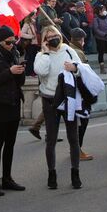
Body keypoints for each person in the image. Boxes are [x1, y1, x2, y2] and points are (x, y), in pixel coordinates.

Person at [34, 25, 82, 190]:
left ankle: (75, 173)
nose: (53, 37)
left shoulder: (68, 50)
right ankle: (51, 173)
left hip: (69, 99)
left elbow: (80, 69)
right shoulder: (41, 55)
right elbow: (40, 71)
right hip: (50, 101)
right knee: (51, 139)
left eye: (55, 34)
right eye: (49, 36)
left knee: (73, 138)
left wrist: (75, 68)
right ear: (44, 40)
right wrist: (46, 53)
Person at [0, 26, 26, 196]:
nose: (11, 44)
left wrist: (20, 71)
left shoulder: (14, 53)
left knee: (10, 142)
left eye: (13, 41)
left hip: (14, 100)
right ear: (0, 42)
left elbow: (19, 81)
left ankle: (7, 178)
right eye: (8, 42)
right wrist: (9, 72)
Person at [69, 28, 93, 161]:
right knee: (82, 122)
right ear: (81, 40)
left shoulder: (70, 49)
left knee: (77, 123)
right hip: (80, 92)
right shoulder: (77, 53)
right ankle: (77, 150)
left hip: (74, 92)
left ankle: (75, 148)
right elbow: (86, 74)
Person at [92, 4, 107, 73]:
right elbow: (96, 29)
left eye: (105, 9)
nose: (104, 11)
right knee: (101, 52)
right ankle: (102, 68)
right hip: (100, 39)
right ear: (99, 11)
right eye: (103, 10)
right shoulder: (96, 19)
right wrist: (104, 34)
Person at [20, 12, 40, 76]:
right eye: (34, 15)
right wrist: (30, 36)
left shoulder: (35, 22)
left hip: (35, 43)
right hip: (30, 43)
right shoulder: (27, 24)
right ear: (30, 16)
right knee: (30, 58)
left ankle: (32, 71)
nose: (35, 15)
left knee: (34, 57)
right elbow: (21, 34)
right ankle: (29, 72)